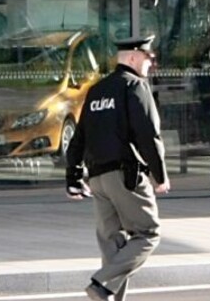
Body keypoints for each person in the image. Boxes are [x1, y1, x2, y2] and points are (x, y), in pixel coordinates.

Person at [66, 35, 170, 301]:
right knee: (148, 232)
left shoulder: (97, 90)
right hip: (126, 176)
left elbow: (79, 138)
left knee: (113, 244)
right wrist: (160, 176)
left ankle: (105, 295)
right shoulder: (135, 86)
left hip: (98, 179)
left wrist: (74, 178)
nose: (151, 64)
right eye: (150, 59)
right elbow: (148, 135)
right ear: (134, 57)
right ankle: (101, 283)